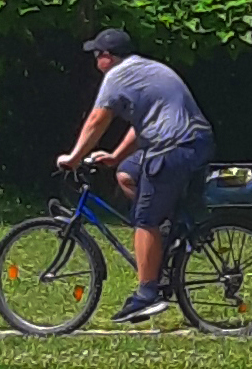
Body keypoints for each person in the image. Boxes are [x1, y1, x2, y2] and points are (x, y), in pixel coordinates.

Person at [56, 27, 215, 323]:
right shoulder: (146, 68)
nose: (95, 61)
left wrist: (73, 158)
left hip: (174, 148)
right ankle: (168, 234)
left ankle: (146, 294)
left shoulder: (117, 75)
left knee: (144, 219)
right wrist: (116, 156)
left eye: (97, 55)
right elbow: (145, 124)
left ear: (107, 57)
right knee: (127, 174)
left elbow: (96, 120)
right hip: (194, 142)